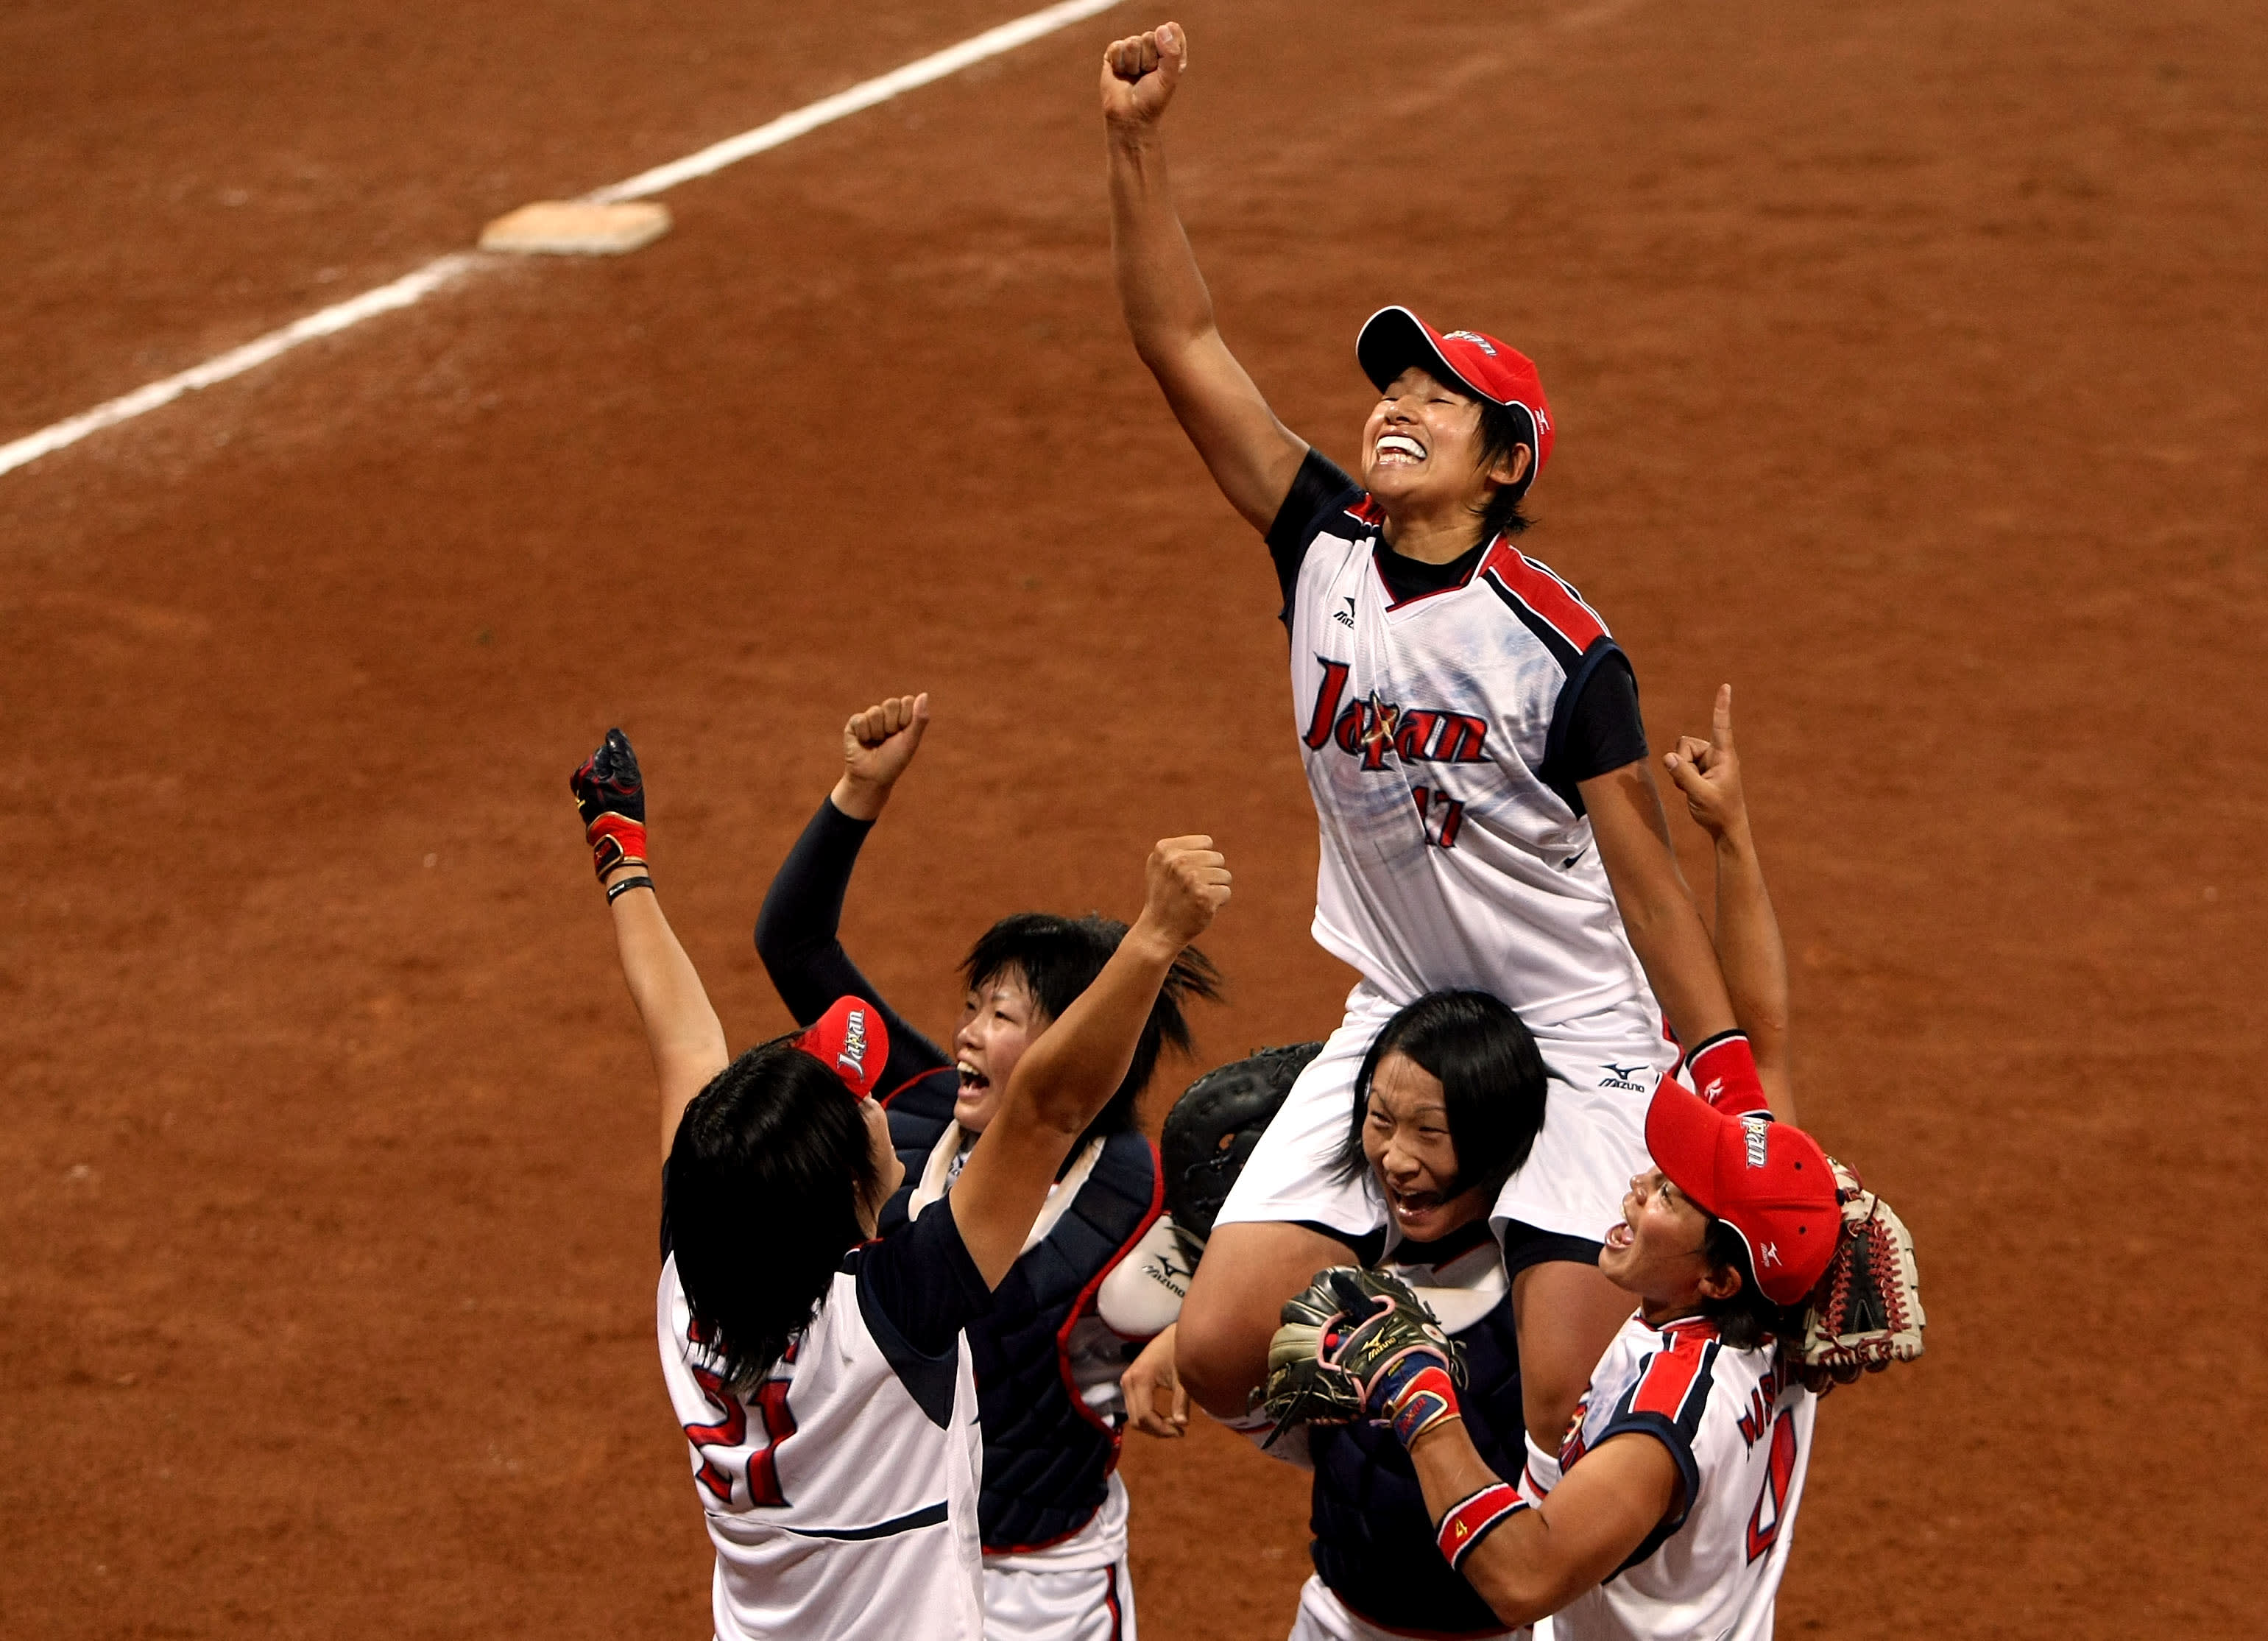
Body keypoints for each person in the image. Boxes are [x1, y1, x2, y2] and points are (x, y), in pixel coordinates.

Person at [1098, 20, 1764, 1486]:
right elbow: (1179, 342)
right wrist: (1135, 146)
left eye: (1437, 398)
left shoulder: (1560, 645)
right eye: (1389, 387)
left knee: (1562, 1412)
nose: (1394, 404)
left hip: (1575, 1034)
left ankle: (1488, 1375)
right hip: (1406, 1007)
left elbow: (1644, 882)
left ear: (1508, 459)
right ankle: (1433, 1364)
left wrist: (1721, 1085)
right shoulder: (1319, 545)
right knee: (1218, 1352)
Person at [1255, 689, 1918, 1641]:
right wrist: (1730, 834)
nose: (1636, 1186)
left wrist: (1423, 1401)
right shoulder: (1772, 1276)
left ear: (1717, 1272)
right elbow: (1757, 1033)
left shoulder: (1672, 1411)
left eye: (1668, 1195)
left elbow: (1524, 1578)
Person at [568, 726, 1229, 1641]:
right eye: (857, 1113)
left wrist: (622, 856)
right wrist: (1154, 936)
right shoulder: (892, 1315)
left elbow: (685, 1044)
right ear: (843, 1192)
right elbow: (1046, 1111)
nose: (879, 1107)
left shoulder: (694, 1280)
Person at [753, 691, 1220, 1641]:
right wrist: (855, 791)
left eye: (1004, 1016)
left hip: (1039, 1593)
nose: (967, 1032)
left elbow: (1277, 1303)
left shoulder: (1152, 1198)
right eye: (975, 1004)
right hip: (886, 1567)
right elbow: (793, 944)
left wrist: (1185, 1340)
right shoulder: (918, 1108)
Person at [1128, 991, 1551, 1641]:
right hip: (1332, 1619)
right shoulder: (1330, 1269)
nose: (1396, 1157)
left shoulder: (1541, 1295)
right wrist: (1190, 1333)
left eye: (1428, 1132)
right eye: (1379, 1120)